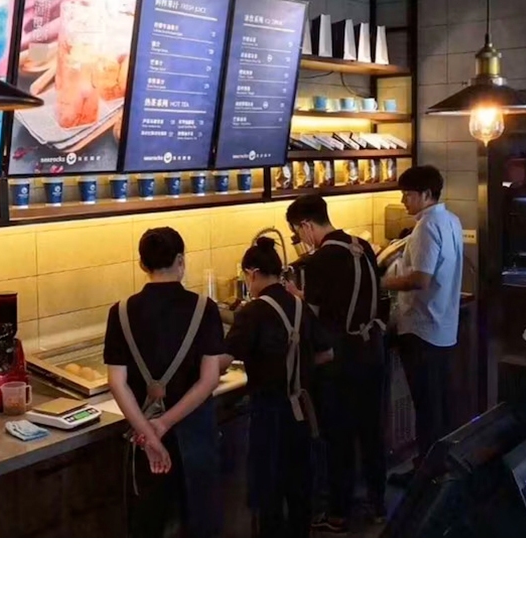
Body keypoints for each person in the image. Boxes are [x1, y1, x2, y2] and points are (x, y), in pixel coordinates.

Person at [104, 226, 225, 537]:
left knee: (149, 525)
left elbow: (117, 383)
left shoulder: (120, 312)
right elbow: (209, 379)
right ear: (181, 261)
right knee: (199, 523)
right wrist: (165, 423)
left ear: (142, 264)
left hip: (144, 440)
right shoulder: (204, 308)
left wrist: (150, 433)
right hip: (195, 435)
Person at [285, 194, 387, 535]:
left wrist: (295, 299)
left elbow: (313, 317)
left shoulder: (320, 261)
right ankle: (377, 504)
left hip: (341, 359)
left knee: (339, 436)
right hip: (372, 349)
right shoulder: (361, 246)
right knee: (371, 431)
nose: (301, 241)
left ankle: (339, 514)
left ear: (306, 225)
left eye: (298, 234)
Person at [219, 237, 328, 536]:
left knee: (269, 490)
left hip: (269, 413)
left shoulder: (252, 313)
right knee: (299, 487)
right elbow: (326, 352)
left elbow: (222, 362)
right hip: (302, 410)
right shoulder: (298, 304)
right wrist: (297, 368)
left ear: (252, 273)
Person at [382, 165, 463, 485]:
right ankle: (438, 468)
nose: (403, 200)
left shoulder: (427, 227)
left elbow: (420, 279)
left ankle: (426, 476)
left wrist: (384, 282)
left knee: (427, 407)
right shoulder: (451, 220)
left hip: (422, 328)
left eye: (408, 194)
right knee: (438, 404)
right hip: (443, 326)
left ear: (426, 194)